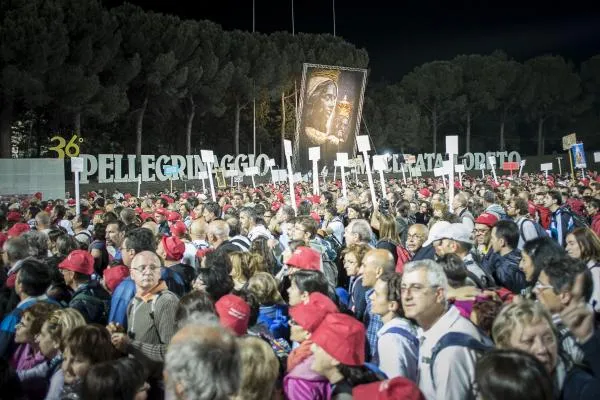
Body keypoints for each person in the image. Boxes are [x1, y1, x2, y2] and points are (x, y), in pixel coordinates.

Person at [304, 69, 339, 146]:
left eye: (334, 98)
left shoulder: (328, 135)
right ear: (314, 98)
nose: (332, 104)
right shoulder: (304, 132)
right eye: (327, 97)